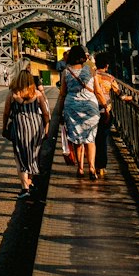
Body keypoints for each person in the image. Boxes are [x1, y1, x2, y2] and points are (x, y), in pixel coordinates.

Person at [57, 44, 108, 178]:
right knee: (90, 139)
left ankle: (80, 168)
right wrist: (106, 106)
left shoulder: (66, 72)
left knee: (77, 138)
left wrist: (59, 111)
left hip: (72, 106)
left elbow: (62, 94)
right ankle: (91, 168)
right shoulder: (91, 71)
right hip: (90, 107)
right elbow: (97, 90)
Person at [2, 66, 51, 200]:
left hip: (19, 127)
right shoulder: (37, 94)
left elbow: (6, 113)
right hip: (36, 126)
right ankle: (31, 180)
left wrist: (4, 128)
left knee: (20, 156)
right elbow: (45, 113)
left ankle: (25, 188)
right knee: (33, 154)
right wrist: (46, 128)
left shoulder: (12, 94)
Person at [91, 52, 129, 177]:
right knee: (102, 140)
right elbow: (120, 94)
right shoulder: (110, 78)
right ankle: (101, 167)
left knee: (92, 139)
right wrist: (130, 98)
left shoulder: (91, 76)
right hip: (105, 111)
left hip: (91, 110)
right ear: (106, 66)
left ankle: (93, 165)